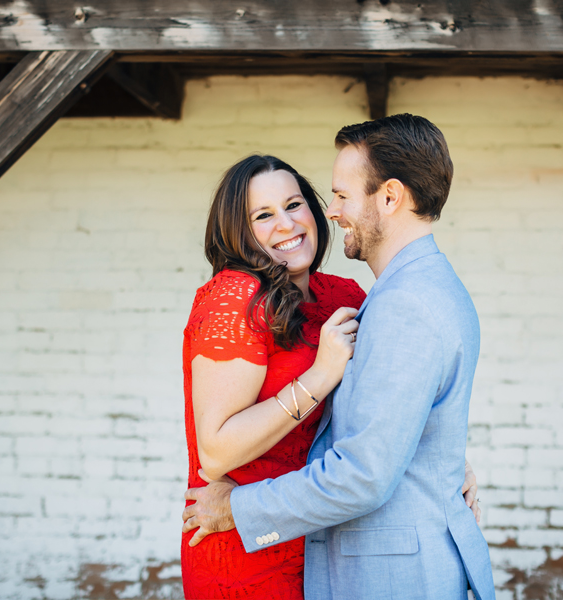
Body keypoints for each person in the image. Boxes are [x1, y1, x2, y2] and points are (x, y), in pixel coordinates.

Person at [182, 115, 496, 600]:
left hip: (312, 537)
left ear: (388, 198)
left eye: (299, 203)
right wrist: (322, 377)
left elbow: (376, 441)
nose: (329, 211)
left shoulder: (353, 297)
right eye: (262, 215)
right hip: (251, 546)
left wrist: (438, 456)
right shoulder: (236, 299)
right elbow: (216, 452)